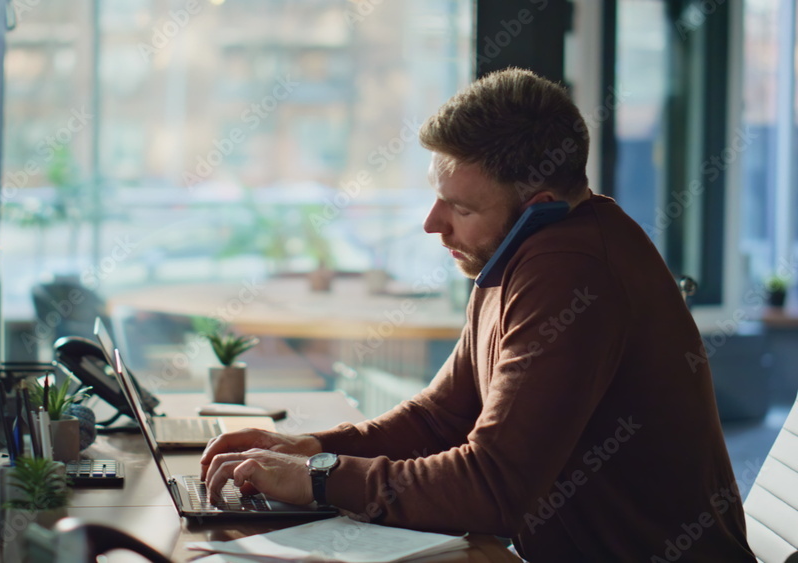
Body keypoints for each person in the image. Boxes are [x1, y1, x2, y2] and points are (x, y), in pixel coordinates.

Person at [200, 68, 754, 562]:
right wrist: (313, 450)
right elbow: (439, 419)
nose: (432, 224)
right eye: (439, 197)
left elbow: (495, 488)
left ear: (537, 207)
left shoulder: (572, 268)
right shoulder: (515, 252)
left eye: (461, 208)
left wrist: (321, 480)